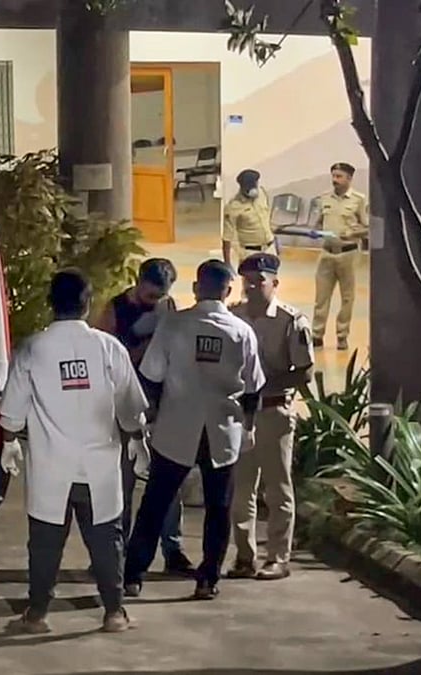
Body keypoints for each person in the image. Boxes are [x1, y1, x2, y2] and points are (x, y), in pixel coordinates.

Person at [0, 270, 148, 635]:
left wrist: (8, 442)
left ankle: (36, 616)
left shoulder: (34, 348)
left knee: (46, 543)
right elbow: (131, 408)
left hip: (52, 466)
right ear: (87, 303)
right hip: (100, 466)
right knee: (106, 539)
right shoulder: (109, 348)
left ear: (51, 302)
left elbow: (11, 411)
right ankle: (114, 613)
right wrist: (138, 440)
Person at [124, 260, 266, 601]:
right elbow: (253, 387)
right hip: (223, 432)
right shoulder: (242, 332)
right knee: (219, 508)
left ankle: (132, 576)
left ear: (195, 288)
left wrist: (152, 416)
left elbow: (151, 376)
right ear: (227, 291)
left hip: (176, 429)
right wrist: (248, 427)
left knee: (155, 504)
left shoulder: (173, 325)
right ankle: (208, 579)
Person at [93, 257, 194, 577]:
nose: (156, 302)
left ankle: (172, 548)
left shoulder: (169, 308)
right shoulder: (116, 310)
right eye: (151, 296)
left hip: (162, 409)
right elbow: (108, 359)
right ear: (138, 284)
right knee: (120, 485)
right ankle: (115, 551)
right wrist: (151, 343)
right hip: (122, 408)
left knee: (167, 484)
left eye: (161, 296)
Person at [229, 253, 314, 580]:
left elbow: (304, 373)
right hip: (240, 414)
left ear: (274, 283)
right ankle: (244, 556)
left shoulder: (291, 321)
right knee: (241, 490)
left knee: (277, 489)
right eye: (247, 281)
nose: (251, 287)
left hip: (273, 410)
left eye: (258, 282)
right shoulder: (233, 315)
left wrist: (261, 384)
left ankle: (278, 557)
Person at [312, 162, 369, 350]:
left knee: (347, 298)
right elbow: (318, 223)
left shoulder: (359, 200)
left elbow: (368, 228)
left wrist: (352, 234)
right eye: (334, 176)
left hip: (348, 255)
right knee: (321, 297)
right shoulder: (324, 198)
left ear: (349, 179)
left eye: (339, 176)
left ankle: (342, 335)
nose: (335, 180)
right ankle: (317, 334)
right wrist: (314, 231)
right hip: (327, 254)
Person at [221, 169, 274, 266]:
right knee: (252, 280)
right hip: (250, 252)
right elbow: (226, 238)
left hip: (270, 248)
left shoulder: (262, 193)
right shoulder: (233, 206)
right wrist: (227, 263)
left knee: (271, 280)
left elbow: (266, 217)